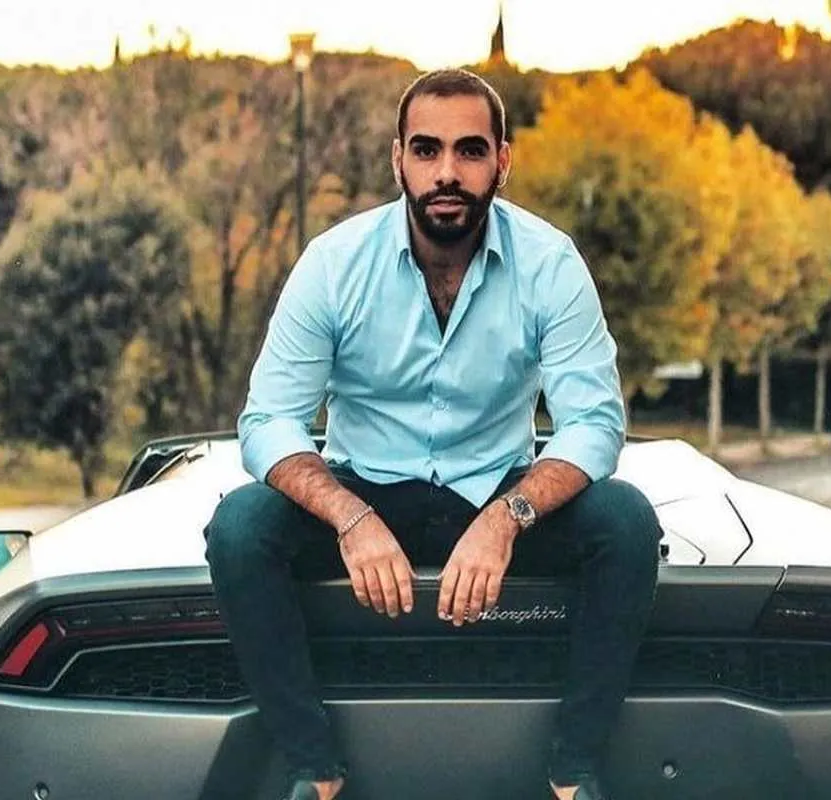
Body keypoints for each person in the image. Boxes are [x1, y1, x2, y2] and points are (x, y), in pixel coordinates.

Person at [203, 68, 663, 800]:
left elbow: (596, 423)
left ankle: (573, 773)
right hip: (365, 491)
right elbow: (267, 421)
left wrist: (507, 518)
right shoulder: (334, 264)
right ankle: (314, 770)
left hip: (494, 492)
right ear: (399, 160)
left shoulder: (550, 263)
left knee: (627, 521)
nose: (447, 172)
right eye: (427, 149)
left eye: (469, 150)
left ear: (502, 161)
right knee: (239, 527)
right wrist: (350, 517)